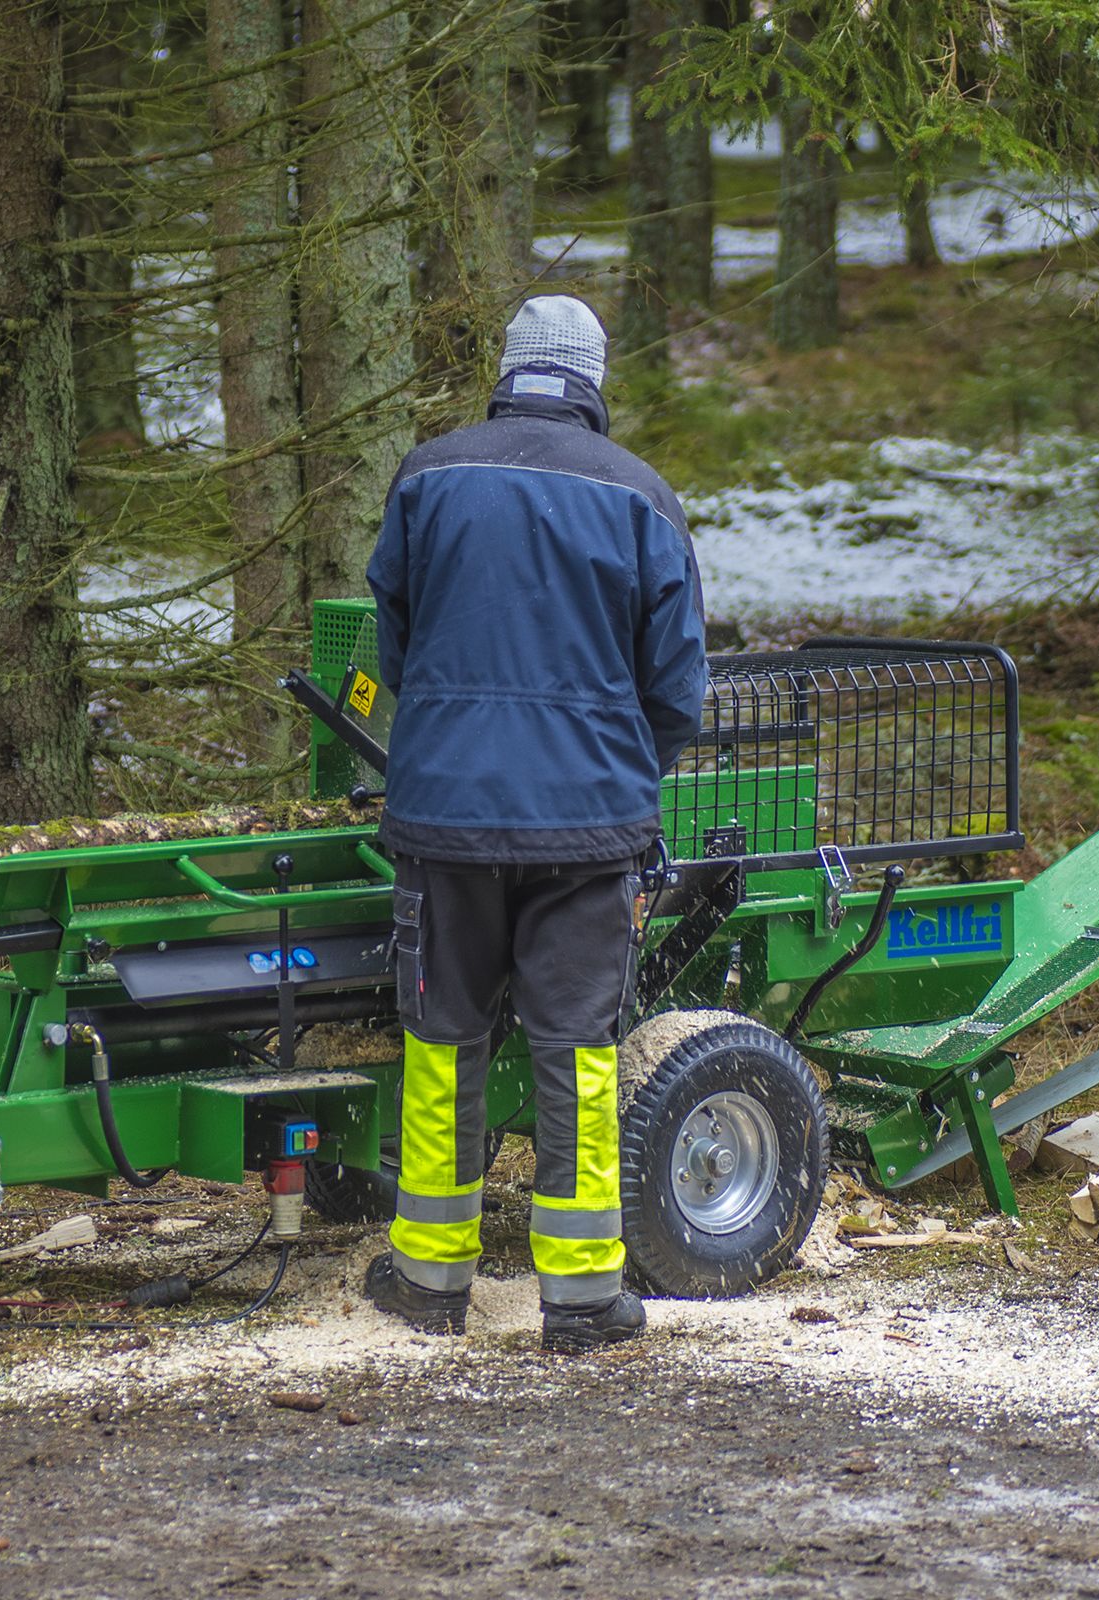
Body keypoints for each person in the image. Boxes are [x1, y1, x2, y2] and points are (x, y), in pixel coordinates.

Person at [362, 294, 708, 1354]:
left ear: (507, 372)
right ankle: (580, 1298)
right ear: (592, 380)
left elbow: (392, 646)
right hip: (587, 835)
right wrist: (613, 778)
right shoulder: (642, 498)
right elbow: (677, 690)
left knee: (442, 1042)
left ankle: (428, 1282)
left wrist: (442, 751)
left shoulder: (428, 474)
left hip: (443, 823)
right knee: (577, 1054)